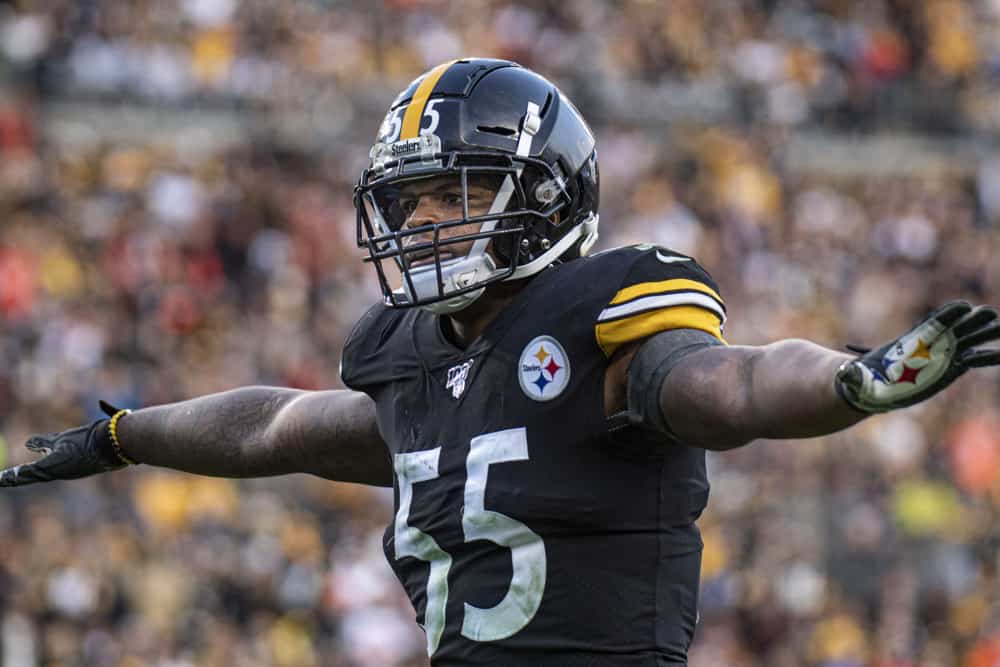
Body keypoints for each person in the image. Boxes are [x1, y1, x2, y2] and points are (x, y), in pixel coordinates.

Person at [3, 58, 998, 666]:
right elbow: (275, 425)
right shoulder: (408, 365)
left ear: (549, 196)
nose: (425, 223)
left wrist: (845, 382)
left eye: (458, 194)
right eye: (412, 202)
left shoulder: (601, 324)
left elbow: (728, 384)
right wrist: (122, 432)